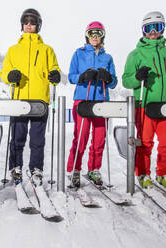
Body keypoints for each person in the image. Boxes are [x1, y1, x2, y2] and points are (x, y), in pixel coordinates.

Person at [122, 11, 166, 189]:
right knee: (144, 143)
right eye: (148, 28)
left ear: (163, 28)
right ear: (143, 31)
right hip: (144, 105)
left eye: (157, 27)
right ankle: (143, 174)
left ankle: (164, 173)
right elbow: (126, 80)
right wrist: (138, 77)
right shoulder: (135, 54)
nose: (153, 32)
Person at [0, 8, 61, 187]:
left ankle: (36, 169)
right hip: (18, 100)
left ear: (38, 25)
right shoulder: (13, 50)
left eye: (32, 21)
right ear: (22, 24)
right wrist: (9, 76)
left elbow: (54, 69)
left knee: (37, 140)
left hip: (39, 101)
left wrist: (55, 75)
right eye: (26, 21)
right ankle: (15, 167)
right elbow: (4, 72)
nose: (28, 24)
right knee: (17, 138)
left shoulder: (47, 50)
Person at [66, 21, 117, 187]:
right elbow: (71, 76)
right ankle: (74, 169)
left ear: (103, 36)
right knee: (81, 138)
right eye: (91, 33)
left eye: (99, 33)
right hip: (83, 100)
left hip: (101, 101)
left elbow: (114, 82)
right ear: (87, 36)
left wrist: (108, 78)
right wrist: (82, 77)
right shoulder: (78, 54)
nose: (95, 37)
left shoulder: (107, 57)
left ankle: (94, 169)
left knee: (99, 139)